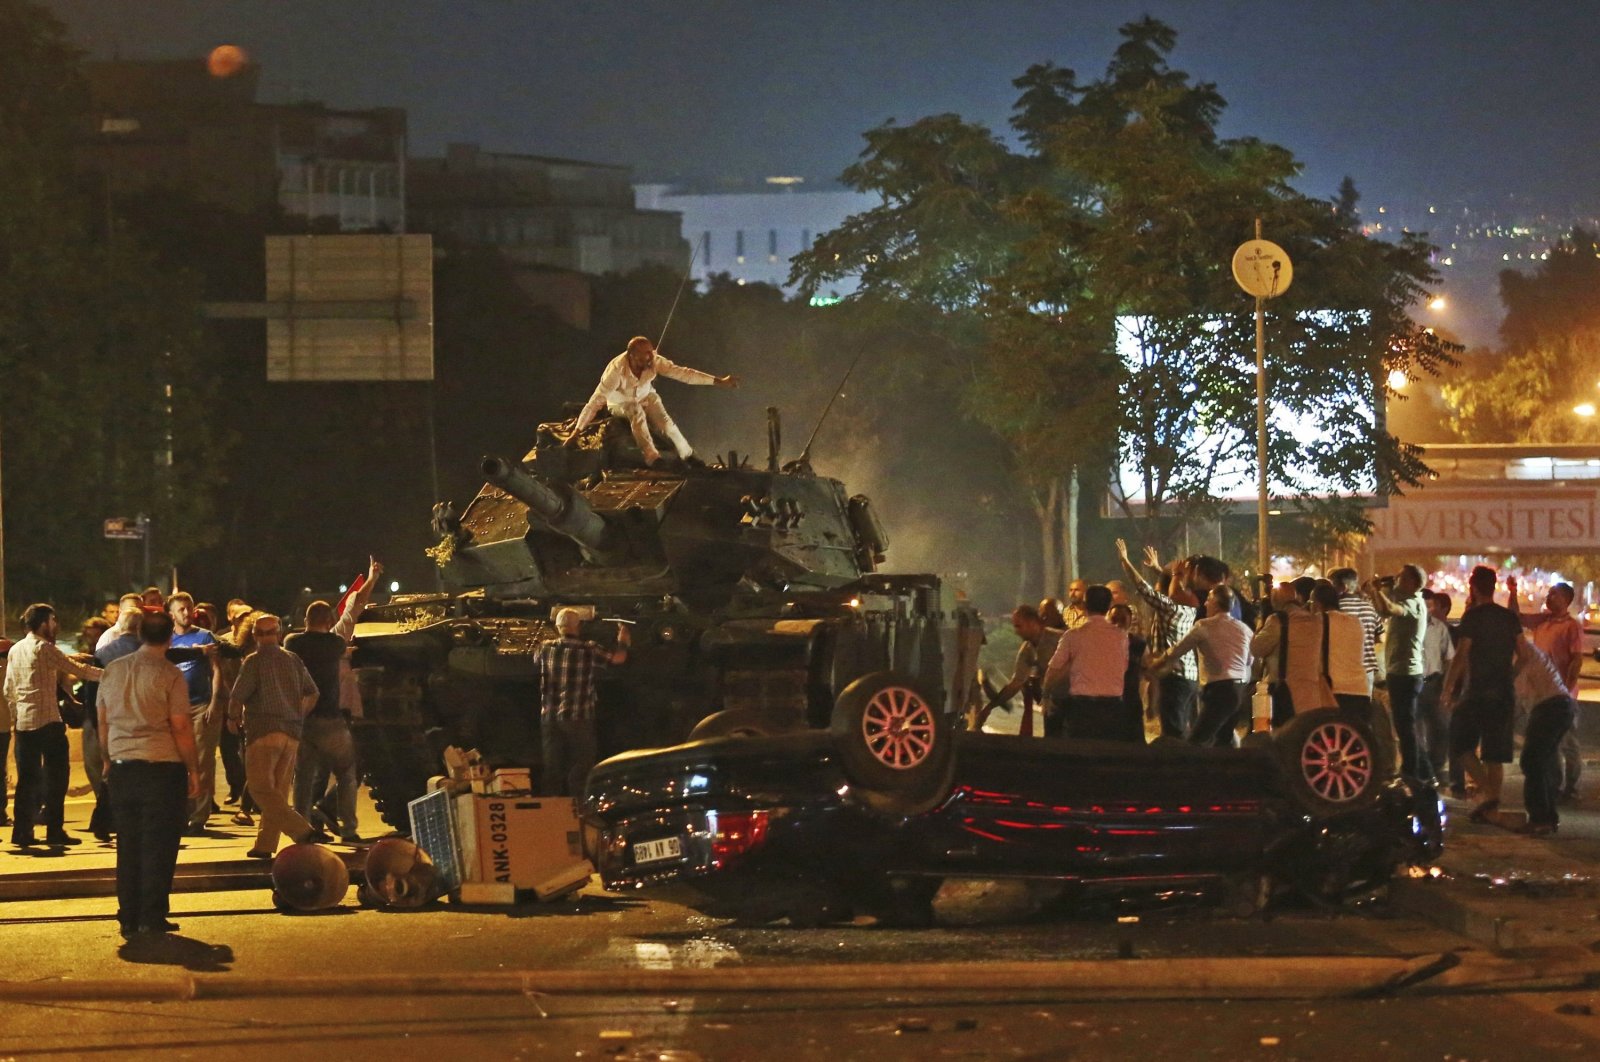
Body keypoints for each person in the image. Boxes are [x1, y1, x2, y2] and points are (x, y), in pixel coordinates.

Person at [96, 610, 201, 936]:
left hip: (123, 769)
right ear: (170, 637)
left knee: (128, 844)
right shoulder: (170, 675)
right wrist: (193, 769)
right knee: (159, 845)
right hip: (161, 768)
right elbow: (181, 726)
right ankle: (151, 916)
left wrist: (108, 759)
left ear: (140, 634)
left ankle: (127, 914)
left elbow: (103, 721)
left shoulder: (113, 671)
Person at [4, 604, 105, 846]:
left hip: (24, 724)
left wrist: (16, 716)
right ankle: (54, 830)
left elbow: (9, 689)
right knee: (57, 778)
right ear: (43, 623)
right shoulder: (45, 648)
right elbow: (77, 670)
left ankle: (22, 833)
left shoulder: (15, 649)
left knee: (27, 781)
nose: (56, 625)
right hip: (48, 722)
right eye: (53, 620)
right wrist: (111, 673)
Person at [229, 613, 323, 858]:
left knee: (260, 788)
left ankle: (302, 830)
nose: (265, 637)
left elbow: (238, 696)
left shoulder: (253, 662)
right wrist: (297, 713)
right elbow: (313, 692)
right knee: (278, 792)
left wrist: (232, 717)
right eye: (263, 633)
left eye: (265, 633)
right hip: (291, 732)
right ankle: (265, 845)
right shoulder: (293, 660)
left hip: (263, 730)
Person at [1441, 565, 1527, 824]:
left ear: (1474, 587)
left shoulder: (1473, 617)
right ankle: (1491, 808)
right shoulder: (1509, 618)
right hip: (1503, 692)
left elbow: (1461, 655)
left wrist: (1447, 687)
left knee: (1459, 743)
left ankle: (1489, 796)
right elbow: (1524, 655)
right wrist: (1509, 676)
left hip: (1477, 691)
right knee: (1495, 754)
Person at [570, 336, 739, 465]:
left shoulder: (654, 360)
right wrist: (576, 432)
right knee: (635, 411)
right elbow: (595, 402)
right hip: (620, 403)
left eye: (651, 352)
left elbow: (684, 374)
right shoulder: (615, 371)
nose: (651, 357)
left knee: (667, 424)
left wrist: (719, 381)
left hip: (646, 395)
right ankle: (652, 457)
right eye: (645, 354)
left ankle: (687, 455)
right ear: (632, 356)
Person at [286, 600, 361, 842]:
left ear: (306, 621)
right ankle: (348, 828)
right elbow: (340, 650)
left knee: (304, 778)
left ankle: (302, 828)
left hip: (302, 718)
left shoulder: (292, 642)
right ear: (329, 622)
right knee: (347, 773)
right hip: (330, 718)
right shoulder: (336, 644)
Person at [1507, 576, 1584, 800]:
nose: (1549, 598)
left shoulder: (1572, 626)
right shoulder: (1543, 621)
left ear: (1567, 600)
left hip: (1561, 695)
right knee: (1550, 743)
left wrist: (1568, 691)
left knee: (1567, 742)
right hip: (1540, 693)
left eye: (1554, 594)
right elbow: (1515, 618)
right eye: (1549, 594)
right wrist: (1513, 591)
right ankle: (1555, 785)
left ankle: (1572, 787)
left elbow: (1576, 661)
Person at [537, 608, 629, 796]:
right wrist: (623, 640)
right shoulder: (588, 649)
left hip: (549, 717)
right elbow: (618, 659)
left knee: (552, 765)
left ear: (557, 626)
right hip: (578, 716)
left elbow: (537, 657)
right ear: (578, 626)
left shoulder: (544, 648)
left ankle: (553, 806)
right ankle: (577, 800)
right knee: (583, 760)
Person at [1151, 585, 1252, 746]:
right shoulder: (1244, 629)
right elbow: (1249, 661)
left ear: (1217, 603)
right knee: (1223, 741)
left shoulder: (1203, 626)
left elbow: (1177, 650)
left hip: (1219, 690)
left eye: (1209, 599)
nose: (1205, 604)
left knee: (1196, 741)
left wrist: (1157, 664)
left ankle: (1194, 770)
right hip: (1239, 691)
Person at [1117, 540, 1198, 739]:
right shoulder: (1188, 608)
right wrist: (1158, 569)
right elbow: (1170, 590)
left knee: (1173, 732)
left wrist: (1125, 561)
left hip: (1174, 677)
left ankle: (1176, 766)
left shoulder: (1169, 608)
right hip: (1189, 677)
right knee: (1184, 728)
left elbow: (1145, 589)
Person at [1041, 585, 1131, 741]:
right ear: (1110, 606)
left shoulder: (1073, 635)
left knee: (1080, 755)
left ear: (1085, 605)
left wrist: (1045, 695)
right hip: (1113, 707)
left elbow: (1053, 669)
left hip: (1082, 708)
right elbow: (1123, 667)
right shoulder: (1122, 637)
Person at [1369, 565, 1432, 779]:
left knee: (1405, 728)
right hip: (1402, 672)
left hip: (1405, 674)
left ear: (1413, 584)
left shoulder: (1413, 603)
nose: (1397, 581)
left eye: (1402, 578)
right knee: (1406, 726)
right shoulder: (1408, 601)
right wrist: (1377, 592)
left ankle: (1412, 773)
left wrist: (1377, 591)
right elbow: (1382, 610)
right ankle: (1422, 772)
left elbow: (1389, 610)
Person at [168, 593, 223, 834]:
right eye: (181, 609)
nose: (186, 613)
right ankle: (182, 811)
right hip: (174, 708)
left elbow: (216, 669)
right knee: (176, 762)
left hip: (200, 704)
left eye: (188, 608)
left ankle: (199, 816)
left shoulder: (204, 636)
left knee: (202, 761)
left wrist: (213, 702)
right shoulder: (167, 640)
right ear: (172, 614)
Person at [1513, 641, 1575, 836]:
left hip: (1550, 707)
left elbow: (1520, 694)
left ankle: (1540, 819)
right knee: (1542, 762)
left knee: (1532, 761)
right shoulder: (1526, 651)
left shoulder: (1521, 653)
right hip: (1558, 705)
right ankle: (1548, 817)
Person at [978, 605, 1063, 737]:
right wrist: (989, 708)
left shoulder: (1058, 640)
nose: (1016, 631)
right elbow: (1016, 682)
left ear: (1032, 623)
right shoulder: (1028, 648)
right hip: (1052, 703)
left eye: (1019, 626)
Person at [1416, 590, 1456, 787]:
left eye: (1430, 605)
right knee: (1414, 730)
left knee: (1439, 728)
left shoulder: (1439, 628)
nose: (1427, 609)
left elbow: (1449, 658)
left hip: (1433, 683)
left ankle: (1435, 768)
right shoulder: (1403, 625)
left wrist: (1446, 685)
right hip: (1411, 683)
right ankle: (1419, 770)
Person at [1329, 568, 1382, 691]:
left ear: (1343, 587)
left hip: (1342, 671)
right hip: (1367, 670)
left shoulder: (1336, 608)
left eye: (1333, 586)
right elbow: (1379, 638)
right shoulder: (1370, 607)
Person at [1108, 603, 1148, 740]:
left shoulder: (1138, 644)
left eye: (1122, 619)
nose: (1118, 624)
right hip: (1108, 700)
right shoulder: (1102, 642)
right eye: (1114, 619)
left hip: (1131, 699)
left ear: (1130, 621)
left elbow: (1147, 672)